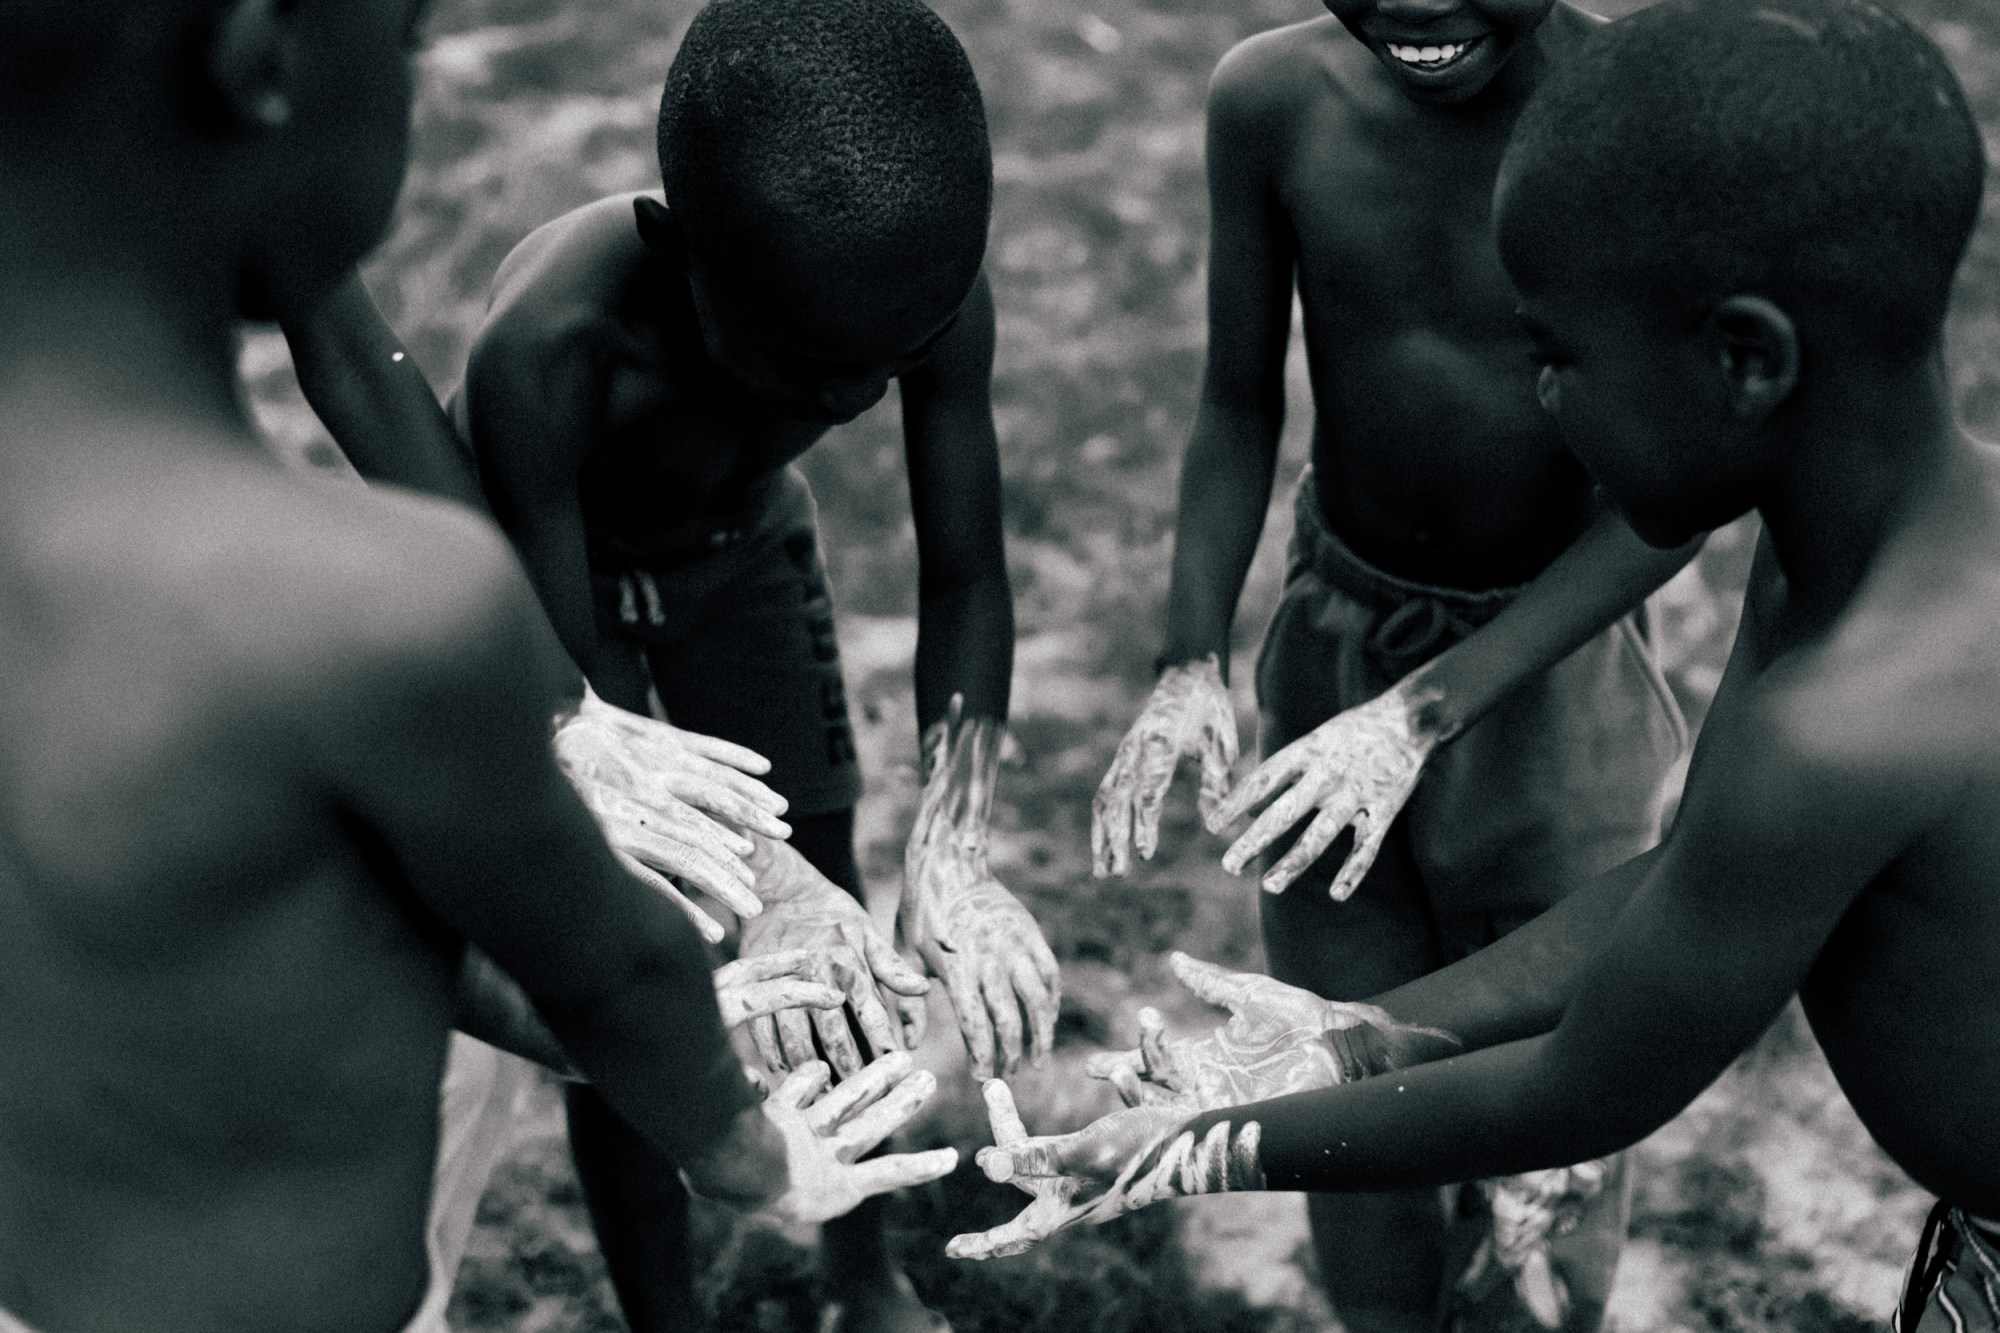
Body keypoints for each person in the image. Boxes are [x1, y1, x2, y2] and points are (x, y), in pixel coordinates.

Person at [961, 8, 2000, 1333]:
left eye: (1557, 356)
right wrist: (1349, 1035)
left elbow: (1587, 1083)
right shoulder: (1838, 565)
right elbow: (1680, 887)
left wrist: (1223, 1130)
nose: (1543, 403)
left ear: (1747, 360)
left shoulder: (1845, 725)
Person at [0, 1, 959, 1330]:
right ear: (260, 58)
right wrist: (746, 1145)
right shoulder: (379, 622)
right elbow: (606, 962)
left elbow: (381, 941)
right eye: (407, 35)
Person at [448, 0, 1062, 1327]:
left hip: (742, 558)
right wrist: (742, 881)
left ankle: (860, 1269)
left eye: (880, 371)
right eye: (794, 366)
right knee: (637, 946)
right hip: (559, 618)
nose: (840, 402)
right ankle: (666, 1315)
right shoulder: (548, 352)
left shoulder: (918, 287)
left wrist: (948, 848)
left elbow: (967, 572)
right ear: (678, 257)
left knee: (829, 929)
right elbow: (580, 683)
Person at [1090, 0, 1695, 1325]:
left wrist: (1423, 714)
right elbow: (1236, 399)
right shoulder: (1269, 100)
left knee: (1555, 1120)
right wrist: (1189, 653)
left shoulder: (1635, 116)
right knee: (1328, 1062)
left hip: (1552, 672)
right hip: (1334, 654)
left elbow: (1672, 503)